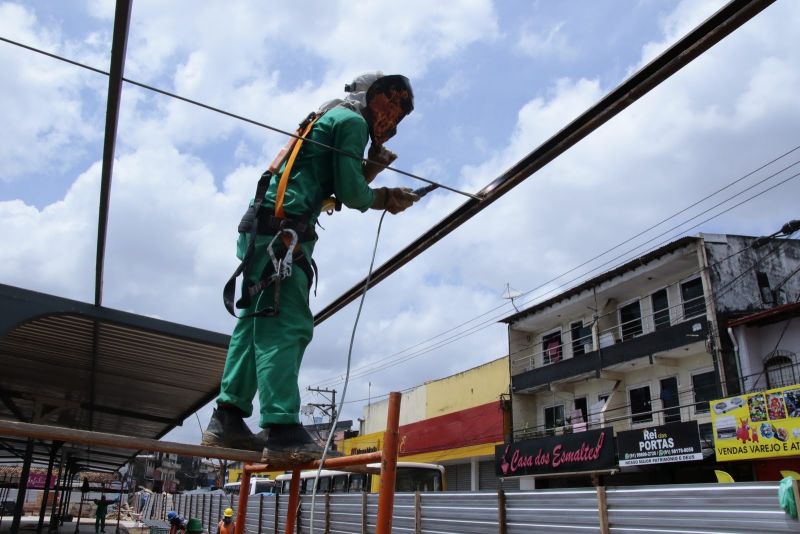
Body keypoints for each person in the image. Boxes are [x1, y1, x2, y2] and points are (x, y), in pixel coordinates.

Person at [202, 73, 419, 459]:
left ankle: (228, 418)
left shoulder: (327, 118)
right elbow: (352, 194)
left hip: (262, 235)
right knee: (286, 325)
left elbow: (327, 190)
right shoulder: (352, 122)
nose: (392, 120)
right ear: (376, 99)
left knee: (254, 325)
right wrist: (385, 196)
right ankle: (283, 429)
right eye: (392, 108)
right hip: (283, 240)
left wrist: (368, 170)